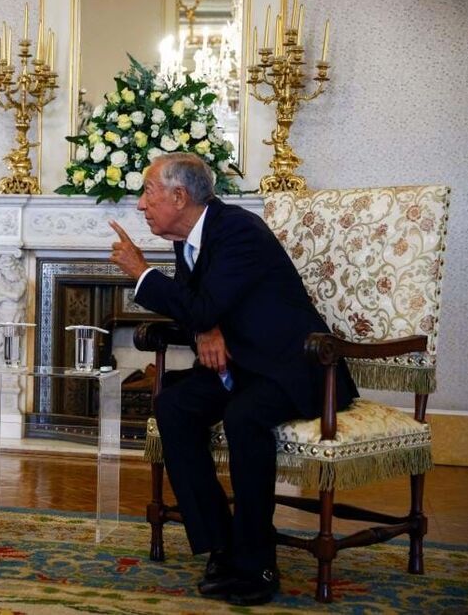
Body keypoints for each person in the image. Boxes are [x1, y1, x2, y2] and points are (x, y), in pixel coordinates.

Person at [108, 153, 356, 606]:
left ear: (179, 196)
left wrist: (142, 273)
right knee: (173, 406)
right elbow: (199, 309)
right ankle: (221, 545)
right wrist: (208, 327)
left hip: (294, 367)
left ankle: (258, 562)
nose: (141, 205)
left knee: (244, 418)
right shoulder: (188, 241)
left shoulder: (238, 230)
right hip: (241, 363)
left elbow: (199, 307)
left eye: (148, 192)